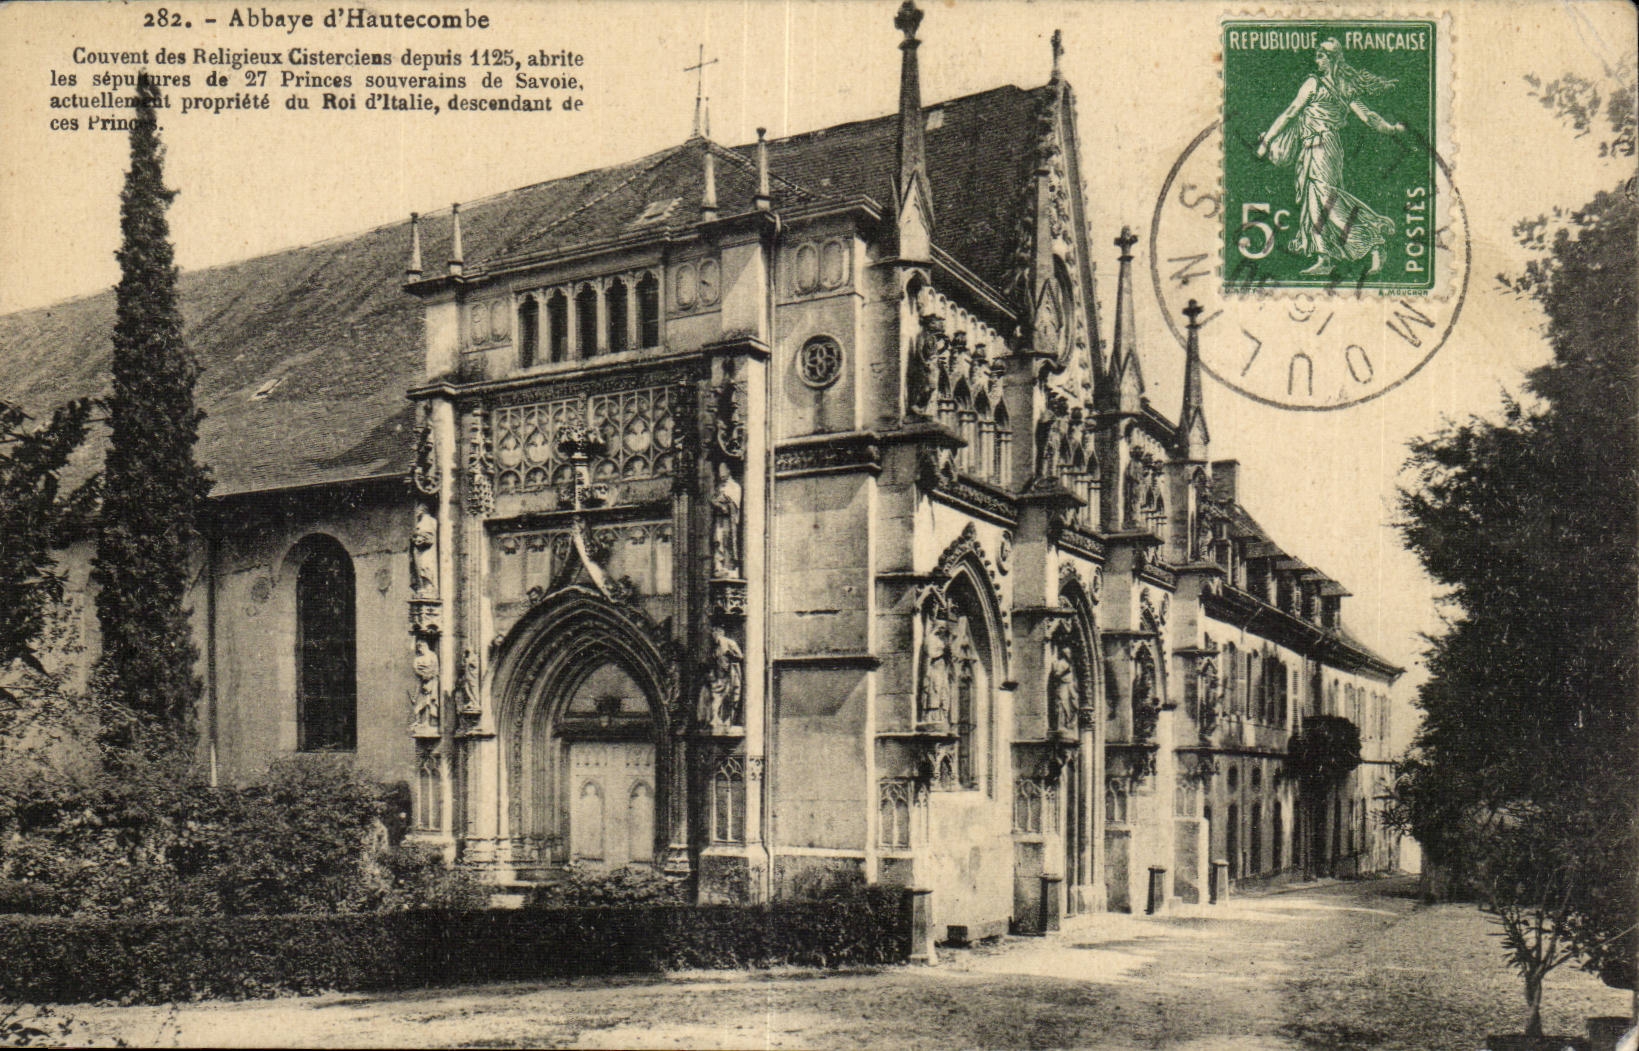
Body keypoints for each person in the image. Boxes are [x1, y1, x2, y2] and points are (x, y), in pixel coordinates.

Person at [1256, 38, 1405, 275]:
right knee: (1315, 201)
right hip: (1318, 147)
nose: (1316, 61)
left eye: (1320, 56)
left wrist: (1267, 140)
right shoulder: (1344, 86)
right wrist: (1391, 128)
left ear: (1331, 58)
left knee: (1327, 200)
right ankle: (1324, 257)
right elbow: (1368, 116)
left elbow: (1291, 112)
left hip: (1321, 146)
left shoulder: (1314, 83)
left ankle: (1373, 241)